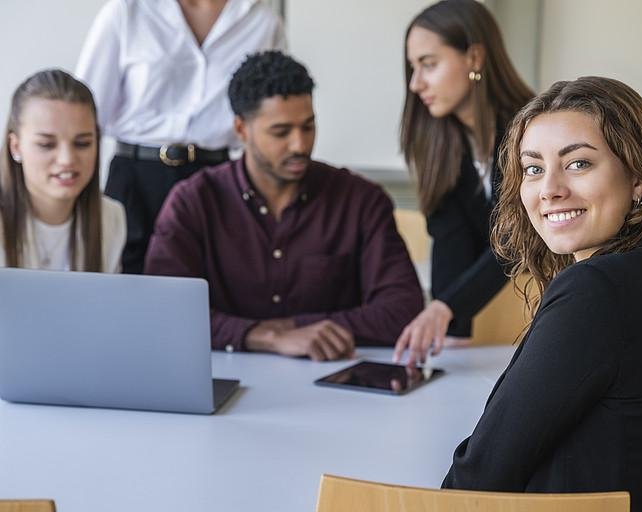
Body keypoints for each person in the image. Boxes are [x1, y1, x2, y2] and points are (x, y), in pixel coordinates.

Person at [441, 76, 642, 510]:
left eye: (578, 163)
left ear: (639, 179)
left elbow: (477, 477)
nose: (549, 189)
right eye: (533, 168)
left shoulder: (596, 290)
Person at [144, 51, 424, 360]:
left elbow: (403, 309)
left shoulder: (361, 201)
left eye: (308, 127)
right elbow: (164, 312)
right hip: (223, 383)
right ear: (241, 129)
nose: (300, 145)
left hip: (338, 389)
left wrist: (298, 328)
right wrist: (265, 336)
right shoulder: (193, 203)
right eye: (281, 132)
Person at [76, 0, 285, 274]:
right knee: (124, 287)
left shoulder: (260, 16)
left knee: (209, 291)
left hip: (215, 178)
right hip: (137, 176)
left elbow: (275, 108)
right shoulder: (128, 10)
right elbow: (86, 113)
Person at [393, 0, 534, 366]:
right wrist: (448, 332)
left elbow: (517, 239)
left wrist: (446, 308)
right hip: (497, 343)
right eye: (413, 67)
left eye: (429, 64)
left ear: (474, 58)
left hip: (554, 314)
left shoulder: (534, 133)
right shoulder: (441, 145)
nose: (415, 83)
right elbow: (450, 240)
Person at [0, 69, 126, 272]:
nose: (67, 160)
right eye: (47, 145)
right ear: (15, 147)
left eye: (82, 143)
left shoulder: (111, 217)